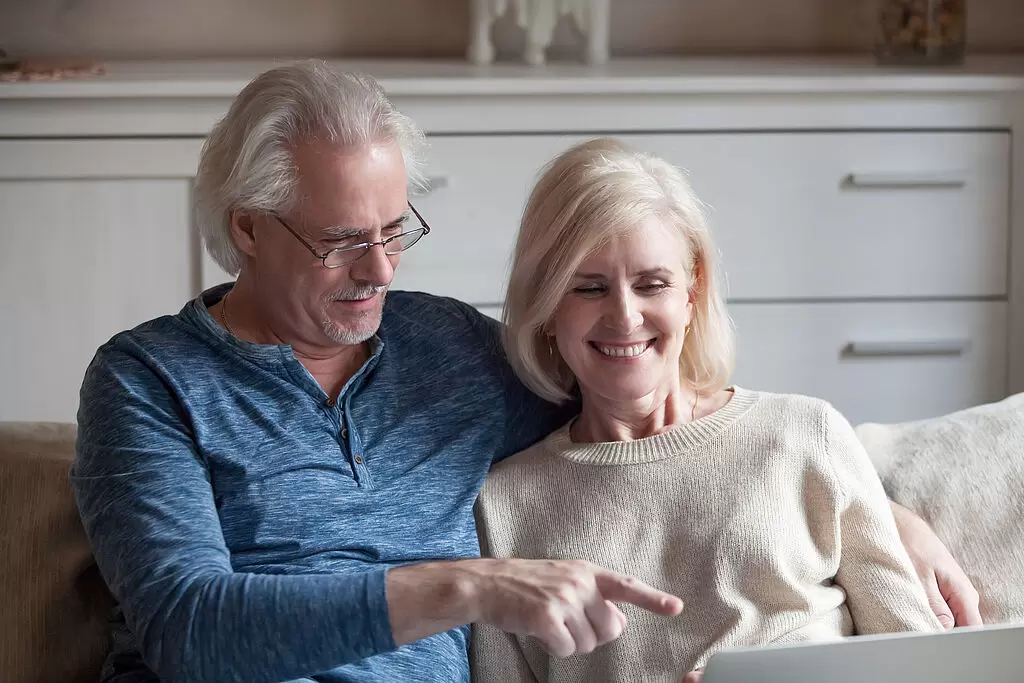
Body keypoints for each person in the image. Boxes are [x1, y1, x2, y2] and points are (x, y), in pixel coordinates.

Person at [69, 61, 978, 682]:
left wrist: (876, 506)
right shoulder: (149, 381)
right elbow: (190, 626)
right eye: (344, 241)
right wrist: (468, 585)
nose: (382, 270)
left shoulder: (452, 350)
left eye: (395, 231)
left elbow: (654, 411)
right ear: (247, 226)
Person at [471, 138, 975, 683]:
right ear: (546, 307)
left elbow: (918, 664)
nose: (624, 316)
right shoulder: (502, 508)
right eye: (589, 288)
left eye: (652, 284)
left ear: (692, 292)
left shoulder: (806, 434)